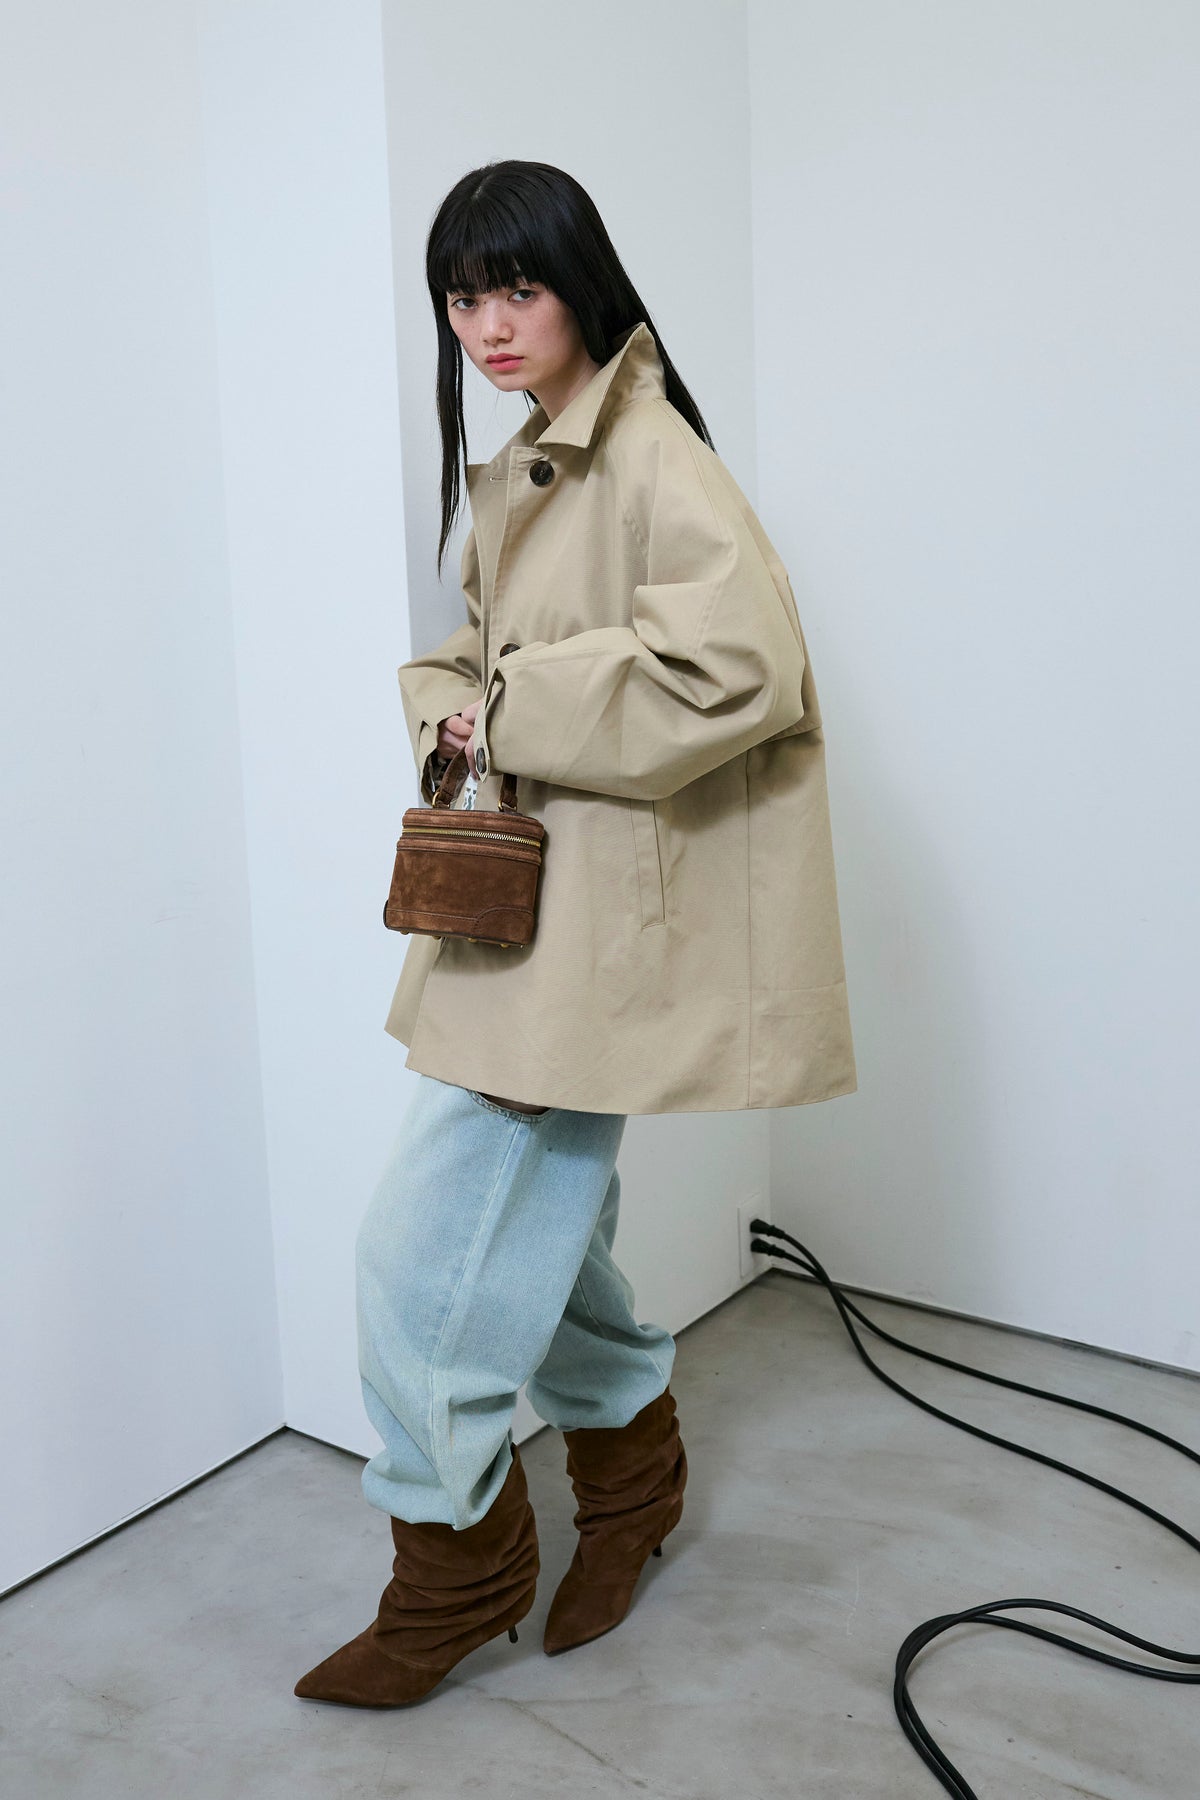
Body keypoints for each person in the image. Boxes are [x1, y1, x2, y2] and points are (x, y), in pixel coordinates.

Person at [294, 159, 857, 1709]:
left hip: (587, 938)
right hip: (528, 912)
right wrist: (457, 703)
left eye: (516, 290)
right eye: (462, 298)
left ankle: (455, 1570)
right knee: (540, 1242)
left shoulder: (651, 453)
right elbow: (488, 657)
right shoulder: (541, 454)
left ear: (580, 287)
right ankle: (634, 1477)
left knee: (418, 1263)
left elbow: (743, 671)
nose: (487, 325)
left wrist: (513, 707)